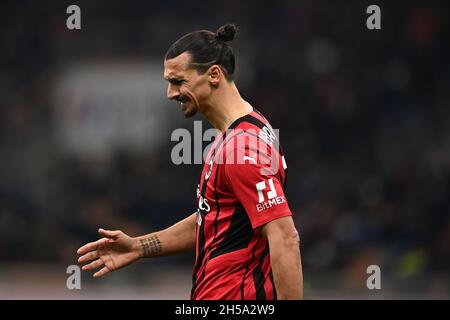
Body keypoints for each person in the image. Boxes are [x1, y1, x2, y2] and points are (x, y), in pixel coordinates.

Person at [77, 24, 303, 300]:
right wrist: (140, 246)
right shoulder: (243, 131)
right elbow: (214, 219)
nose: (170, 93)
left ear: (214, 75)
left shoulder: (244, 148)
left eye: (178, 81)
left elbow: (285, 236)